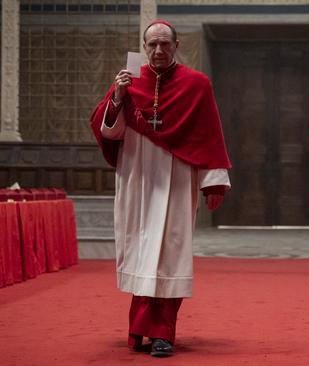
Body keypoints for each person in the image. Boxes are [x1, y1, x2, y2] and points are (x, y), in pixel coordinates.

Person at [89, 19, 231, 358]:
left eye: (165, 44)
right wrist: (118, 97)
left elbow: (211, 133)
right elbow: (109, 132)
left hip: (176, 181)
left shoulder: (197, 84)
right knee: (141, 252)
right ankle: (139, 327)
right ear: (143, 46)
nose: (158, 50)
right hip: (137, 179)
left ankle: (163, 333)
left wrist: (214, 183)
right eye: (151, 44)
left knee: (168, 254)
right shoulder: (130, 80)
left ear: (176, 46)